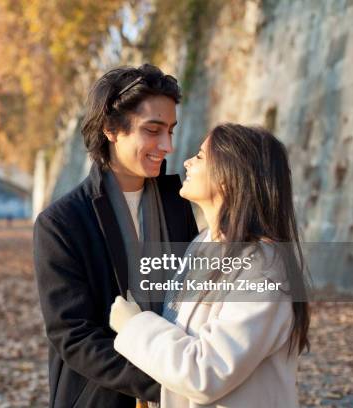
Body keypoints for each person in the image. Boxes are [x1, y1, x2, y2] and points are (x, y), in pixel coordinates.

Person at [110, 123, 311, 407]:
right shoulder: (202, 244)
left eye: (201, 156)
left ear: (230, 176)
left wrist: (134, 326)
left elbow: (207, 372)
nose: (187, 162)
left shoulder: (265, 267)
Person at [33, 64, 198, 407]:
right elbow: (73, 335)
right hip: (101, 397)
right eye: (153, 130)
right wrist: (163, 387)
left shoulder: (177, 203)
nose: (167, 145)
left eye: (171, 130)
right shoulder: (62, 223)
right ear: (111, 128)